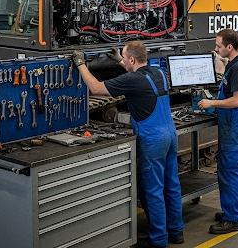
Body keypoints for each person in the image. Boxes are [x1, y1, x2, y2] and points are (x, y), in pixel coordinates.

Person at [72, 41, 184, 248]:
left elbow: (95, 88)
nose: (122, 60)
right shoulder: (158, 73)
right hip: (170, 133)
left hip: (152, 139)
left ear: (132, 59)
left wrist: (80, 64)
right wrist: (118, 60)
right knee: (172, 184)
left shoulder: (132, 80)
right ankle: (176, 232)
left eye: (124, 58)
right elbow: (136, 75)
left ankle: (159, 240)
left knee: (153, 190)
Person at [198, 29, 238, 234]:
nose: (216, 48)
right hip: (234, 123)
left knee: (228, 171)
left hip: (232, 123)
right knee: (236, 168)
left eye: (218, 46)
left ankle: (233, 219)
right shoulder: (235, 62)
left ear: (230, 47)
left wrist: (212, 103)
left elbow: (237, 101)